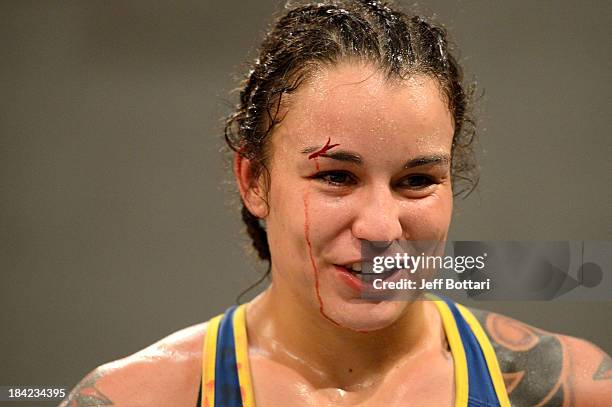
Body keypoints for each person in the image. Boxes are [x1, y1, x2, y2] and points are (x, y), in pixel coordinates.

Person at [60, 1, 611, 406]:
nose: (379, 227)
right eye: (337, 176)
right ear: (254, 181)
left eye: (416, 181)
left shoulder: (577, 390)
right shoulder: (134, 399)